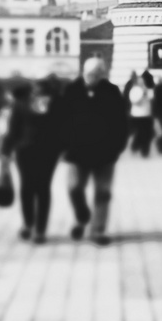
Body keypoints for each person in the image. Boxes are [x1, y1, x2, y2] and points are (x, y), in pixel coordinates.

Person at [60, 58, 128, 244]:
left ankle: (98, 230)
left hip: (105, 152)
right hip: (77, 152)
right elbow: (61, 119)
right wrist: (64, 145)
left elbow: (121, 121)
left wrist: (117, 146)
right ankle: (82, 216)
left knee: (103, 192)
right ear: (84, 72)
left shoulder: (112, 92)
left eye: (98, 74)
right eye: (90, 74)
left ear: (103, 74)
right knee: (74, 188)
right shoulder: (72, 90)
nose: (93, 77)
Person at [0, 78, 63, 244]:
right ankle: (28, 224)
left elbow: (63, 127)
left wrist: (63, 148)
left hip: (49, 152)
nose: (38, 87)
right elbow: (13, 128)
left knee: (42, 188)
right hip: (25, 151)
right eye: (36, 84)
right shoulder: (21, 103)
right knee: (27, 187)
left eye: (42, 84)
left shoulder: (57, 102)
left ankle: (40, 230)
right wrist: (6, 151)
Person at [123, 71, 155, 157]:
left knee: (147, 134)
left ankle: (144, 150)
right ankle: (136, 146)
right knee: (140, 133)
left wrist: (146, 93)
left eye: (142, 82)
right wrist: (142, 95)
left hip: (147, 114)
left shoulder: (148, 90)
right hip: (137, 115)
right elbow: (134, 100)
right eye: (140, 82)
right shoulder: (134, 90)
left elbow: (152, 97)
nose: (141, 83)